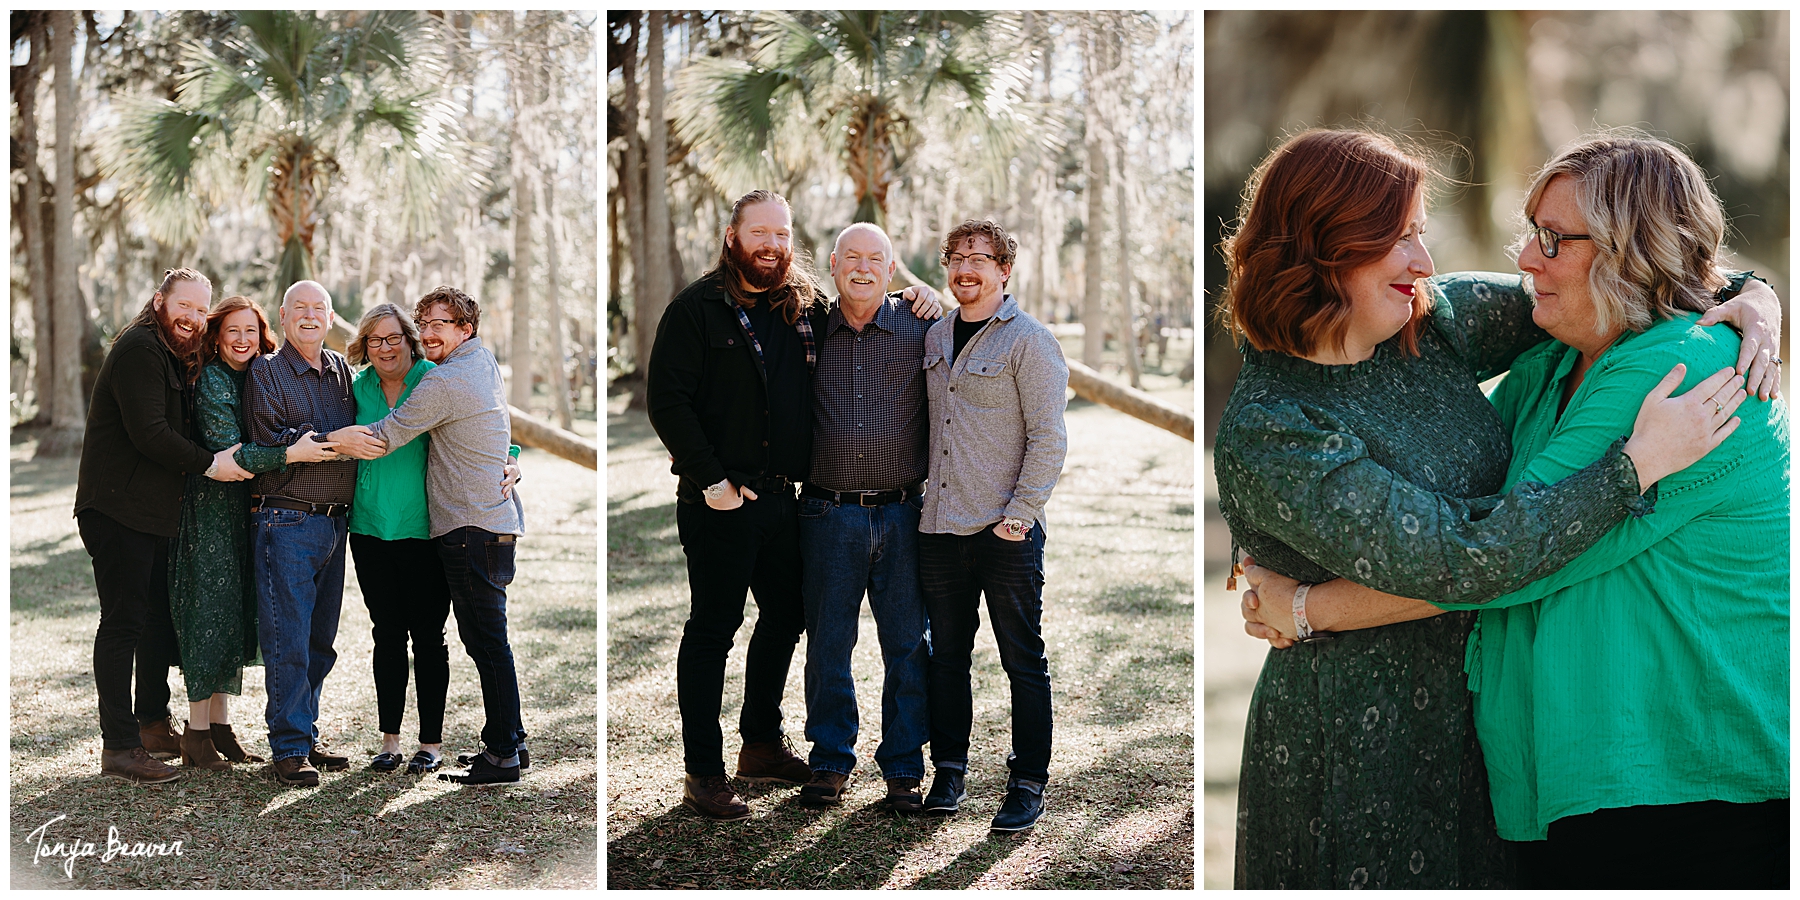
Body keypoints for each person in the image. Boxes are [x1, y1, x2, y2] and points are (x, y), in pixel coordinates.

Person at [1212, 128, 1779, 888]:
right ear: (1320, 248)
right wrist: (1630, 469)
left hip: (1494, 731)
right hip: (1364, 731)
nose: (1424, 261)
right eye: (1396, 237)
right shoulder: (1275, 425)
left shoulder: (1432, 322)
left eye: (1420, 232)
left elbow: (1651, 272)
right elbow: (1462, 555)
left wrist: (1752, 295)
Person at [917, 219, 1069, 833]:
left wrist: (1021, 515)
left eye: (980, 258)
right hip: (940, 527)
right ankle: (948, 769)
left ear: (1005, 270)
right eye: (956, 258)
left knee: (1021, 660)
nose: (965, 268)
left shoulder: (1029, 341)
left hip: (1004, 531)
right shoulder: (934, 335)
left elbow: (1049, 437)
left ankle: (1028, 781)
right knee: (946, 657)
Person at [75, 267, 255, 783]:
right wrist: (211, 463)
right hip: (117, 509)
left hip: (150, 514)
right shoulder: (139, 349)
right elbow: (150, 433)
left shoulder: (170, 355)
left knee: (154, 621)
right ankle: (120, 746)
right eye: (185, 306)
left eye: (202, 311)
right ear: (159, 301)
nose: (194, 318)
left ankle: (152, 722)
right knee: (123, 624)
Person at [351, 286, 528, 786]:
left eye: (440, 324)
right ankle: (511, 740)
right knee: (491, 641)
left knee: (486, 642)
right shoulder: (485, 362)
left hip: (470, 526)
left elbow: (387, 435)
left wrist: (331, 442)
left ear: (465, 330)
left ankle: (501, 756)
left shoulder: (443, 382)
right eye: (423, 323)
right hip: (491, 522)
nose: (428, 333)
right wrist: (510, 459)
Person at [796, 223, 937, 812]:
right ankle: (830, 762)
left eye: (874, 258)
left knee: (907, 644)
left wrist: (934, 294)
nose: (862, 267)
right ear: (832, 264)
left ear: (892, 266)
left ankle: (904, 769)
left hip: (904, 512)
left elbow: (982, 327)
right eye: (850, 256)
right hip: (828, 511)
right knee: (830, 643)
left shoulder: (922, 324)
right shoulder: (805, 326)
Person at [168, 295, 337, 770]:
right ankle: (196, 735)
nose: (242, 340)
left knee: (235, 616)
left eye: (249, 331)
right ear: (216, 339)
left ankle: (219, 726)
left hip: (249, 510)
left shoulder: (255, 376)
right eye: (231, 332)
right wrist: (291, 453)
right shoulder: (213, 382)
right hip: (212, 512)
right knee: (210, 614)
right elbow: (232, 454)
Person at [246, 280, 372, 787]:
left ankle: (306, 731)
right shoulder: (267, 372)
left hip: (335, 523)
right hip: (287, 521)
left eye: (319, 307)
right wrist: (332, 442)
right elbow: (267, 441)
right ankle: (289, 747)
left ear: (331, 316)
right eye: (300, 307)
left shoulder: (342, 370)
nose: (310, 315)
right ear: (282, 315)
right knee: (288, 639)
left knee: (322, 642)